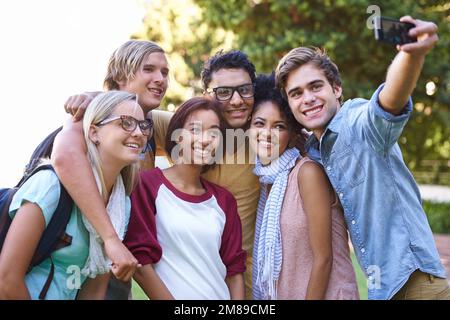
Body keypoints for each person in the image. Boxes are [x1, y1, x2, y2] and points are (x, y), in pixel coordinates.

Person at [275, 16, 449, 300]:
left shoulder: (357, 122)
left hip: (417, 284)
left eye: (315, 86)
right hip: (383, 290)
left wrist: (410, 55)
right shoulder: (316, 151)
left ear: (337, 88)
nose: (307, 98)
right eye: (296, 93)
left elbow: (389, 102)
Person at [63, 49, 261, 298]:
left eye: (244, 89)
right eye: (223, 92)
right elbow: (124, 113)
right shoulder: (168, 128)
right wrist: (93, 98)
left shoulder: (265, 141)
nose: (235, 100)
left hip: (248, 287)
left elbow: (233, 265)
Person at [52, 40, 172, 297]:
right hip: (77, 253)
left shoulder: (152, 124)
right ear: (119, 76)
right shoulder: (92, 114)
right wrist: (111, 240)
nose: (160, 79)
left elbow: (203, 123)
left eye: (165, 72)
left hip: (117, 263)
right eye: (148, 69)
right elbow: (64, 156)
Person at [0, 91, 147, 299]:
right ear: (94, 133)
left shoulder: (120, 205)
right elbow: (6, 281)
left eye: (143, 125)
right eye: (126, 123)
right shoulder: (50, 186)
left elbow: (94, 291)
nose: (139, 133)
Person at [249, 73, 359, 300]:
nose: (266, 134)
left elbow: (323, 259)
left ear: (291, 134)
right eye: (259, 123)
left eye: (279, 126)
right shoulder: (268, 183)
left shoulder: (307, 173)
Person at [124, 97, 246, 299]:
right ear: (178, 136)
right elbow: (140, 263)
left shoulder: (224, 200)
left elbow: (234, 271)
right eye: (195, 130)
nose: (205, 139)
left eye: (214, 133)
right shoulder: (146, 185)